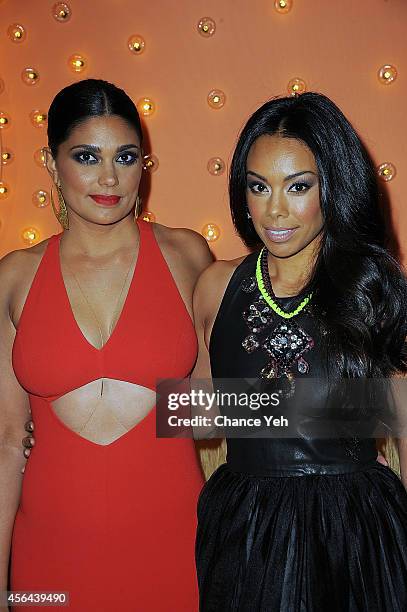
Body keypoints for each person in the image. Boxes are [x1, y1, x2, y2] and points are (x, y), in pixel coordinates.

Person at [0, 78, 212, 611]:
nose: (110, 177)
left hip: (175, 546)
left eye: (127, 156)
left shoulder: (186, 256)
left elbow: (212, 411)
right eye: (86, 156)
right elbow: (5, 442)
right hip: (48, 564)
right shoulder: (14, 278)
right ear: (52, 163)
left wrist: (348, 411)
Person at [192, 92, 407, 611]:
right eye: (259, 187)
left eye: (299, 186)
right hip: (245, 526)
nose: (275, 210)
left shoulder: (373, 288)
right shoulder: (216, 286)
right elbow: (201, 422)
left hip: (352, 530)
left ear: (333, 185)